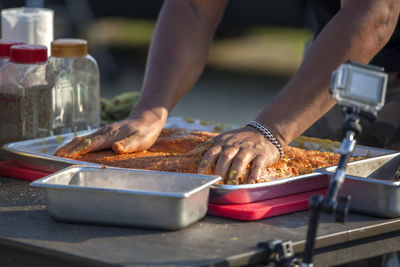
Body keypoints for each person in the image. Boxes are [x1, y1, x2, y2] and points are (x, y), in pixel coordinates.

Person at [56, 0, 400, 184]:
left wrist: (272, 130)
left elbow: (374, 14)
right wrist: (150, 110)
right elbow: (193, 8)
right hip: (344, 70)